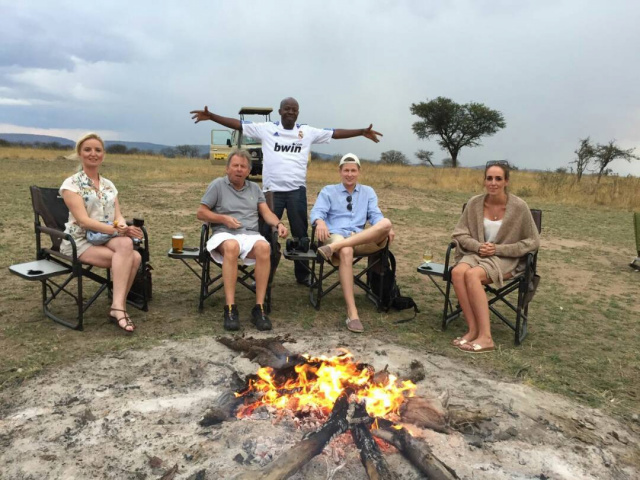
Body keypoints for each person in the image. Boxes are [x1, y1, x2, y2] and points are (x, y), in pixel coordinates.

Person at [190, 97, 382, 287]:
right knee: (267, 234)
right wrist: (212, 116)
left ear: (298, 113)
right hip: (271, 192)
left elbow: (335, 133)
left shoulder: (306, 132)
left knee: (301, 235)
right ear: (280, 111)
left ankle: (303, 275)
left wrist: (361, 132)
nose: (290, 112)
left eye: (294, 109)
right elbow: (238, 125)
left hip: (296, 191)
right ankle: (264, 277)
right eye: (287, 109)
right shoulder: (267, 129)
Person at [450, 161, 540, 353]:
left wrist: (499, 249)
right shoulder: (474, 203)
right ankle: (473, 330)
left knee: (472, 275)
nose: (493, 183)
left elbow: (533, 241)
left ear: (506, 181)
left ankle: (486, 338)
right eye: (489, 178)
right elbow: (459, 233)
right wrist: (478, 246)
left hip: (506, 258)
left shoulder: (519, 207)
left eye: (498, 179)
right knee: (457, 272)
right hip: (477, 253)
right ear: (484, 180)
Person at [59, 133, 144, 333]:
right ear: (80, 153)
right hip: (79, 240)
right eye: (87, 149)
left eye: (98, 150)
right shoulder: (71, 184)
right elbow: (84, 221)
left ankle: (117, 306)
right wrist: (118, 230)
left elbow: (118, 215)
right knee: (134, 257)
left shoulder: (109, 185)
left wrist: (122, 225)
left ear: (103, 155)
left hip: (104, 238)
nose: (93, 154)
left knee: (127, 245)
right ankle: (119, 308)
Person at [196, 149, 288, 331]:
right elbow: (201, 212)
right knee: (232, 246)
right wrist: (223, 219)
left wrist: (278, 224)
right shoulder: (217, 185)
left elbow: (266, 213)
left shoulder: (255, 188)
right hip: (224, 234)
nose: (239, 169)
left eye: (243, 166)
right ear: (227, 168)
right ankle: (230, 308)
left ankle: (259, 308)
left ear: (248, 171)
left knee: (264, 247)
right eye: (235, 165)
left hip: (249, 234)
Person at [310, 153, 395, 333]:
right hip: (335, 235)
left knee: (386, 223)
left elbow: (376, 215)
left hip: (357, 238)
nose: (349, 174)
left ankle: (333, 248)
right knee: (346, 250)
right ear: (340, 171)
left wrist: (386, 228)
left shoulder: (368, 192)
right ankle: (352, 312)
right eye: (346, 170)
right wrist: (320, 222)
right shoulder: (328, 191)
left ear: (358, 172)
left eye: (353, 171)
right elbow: (317, 212)